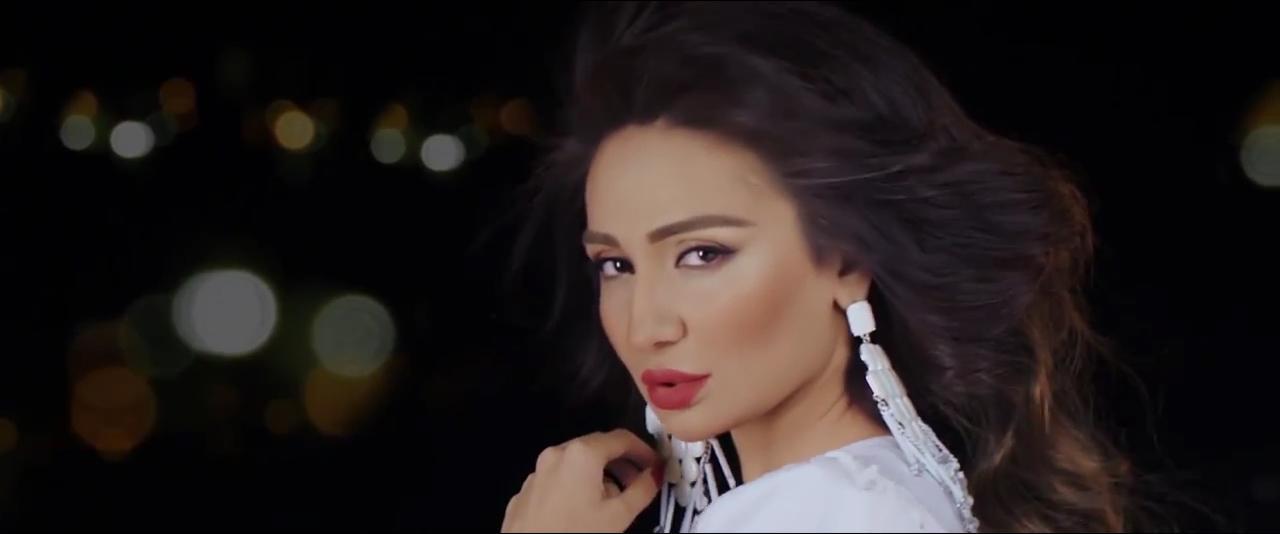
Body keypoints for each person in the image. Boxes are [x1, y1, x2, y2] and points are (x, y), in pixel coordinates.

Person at [499, 1, 1140, 532]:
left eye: (702, 254)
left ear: (848, 258)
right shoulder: (859, 498)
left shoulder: (824, 512)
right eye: (615, 264)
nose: (646, 327)